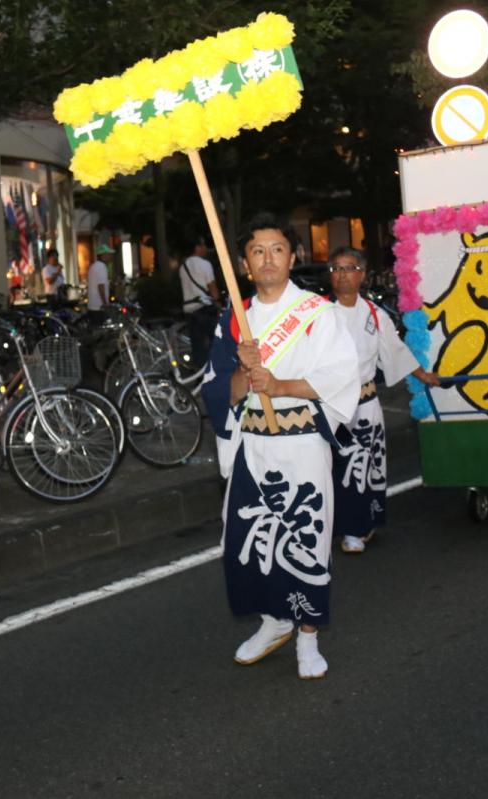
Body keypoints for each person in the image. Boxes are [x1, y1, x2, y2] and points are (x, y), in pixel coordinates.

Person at [201, 214, 359, 680]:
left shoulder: (318, 313)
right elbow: (219, 392)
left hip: (303, 443)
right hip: (253, 446)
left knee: (305, 538)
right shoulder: (235, 319)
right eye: (257, 251)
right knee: (247, 541)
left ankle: (308, 638)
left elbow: (339, 378)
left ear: (292, 257)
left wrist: (279, 382)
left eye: (276, 249)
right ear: (245, 263)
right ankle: (274, 621)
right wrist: (242, 372)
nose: (267, 258)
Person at [326, 246, 439, 554]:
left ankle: (363, 522)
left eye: (349, 268)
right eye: (336, 269)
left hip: (366, 402)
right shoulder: (320, 314)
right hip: (332, 406)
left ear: (362, 274)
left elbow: (395, 349)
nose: (342, 275)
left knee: (366, 465)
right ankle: (347, 528)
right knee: (340, 467)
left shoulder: (374, 314)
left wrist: (422, 374)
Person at [180, 239, 221, 370]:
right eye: (203, 245)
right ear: (197, 247)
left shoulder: (183, 267)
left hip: (190, 311)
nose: (205, 248)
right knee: (218, 342)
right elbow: (213, 291)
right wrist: (218, 298)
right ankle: (217, 372)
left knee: (198, 347)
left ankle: (200, 375)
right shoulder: (205, 264)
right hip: (205, 310)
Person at [86, 244, 111, 315]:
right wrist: (105, 303)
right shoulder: (101, 267)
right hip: (99, 306)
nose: (109, 256)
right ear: (103, 255)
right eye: (108, 254)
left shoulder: (93, 266)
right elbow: (101, 286)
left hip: (92, 305)